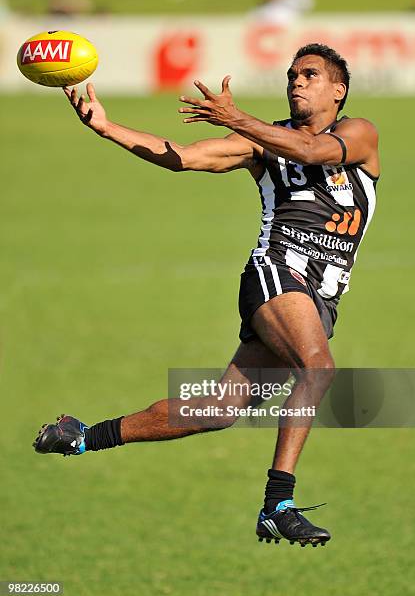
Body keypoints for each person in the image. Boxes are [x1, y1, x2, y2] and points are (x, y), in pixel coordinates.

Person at [33, 43, 379, 548]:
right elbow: (183, 157)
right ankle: (277, 503)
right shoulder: (261, 144)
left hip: (320, 297)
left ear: (339, 90)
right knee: (318, 369)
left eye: (310, 75)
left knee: (219, 408)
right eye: (292, 75)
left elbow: (310, 152)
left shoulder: (358, 133)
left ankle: (84, 435)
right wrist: (106, 127)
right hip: (278, 273)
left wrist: (238, 118)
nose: (297, 82)